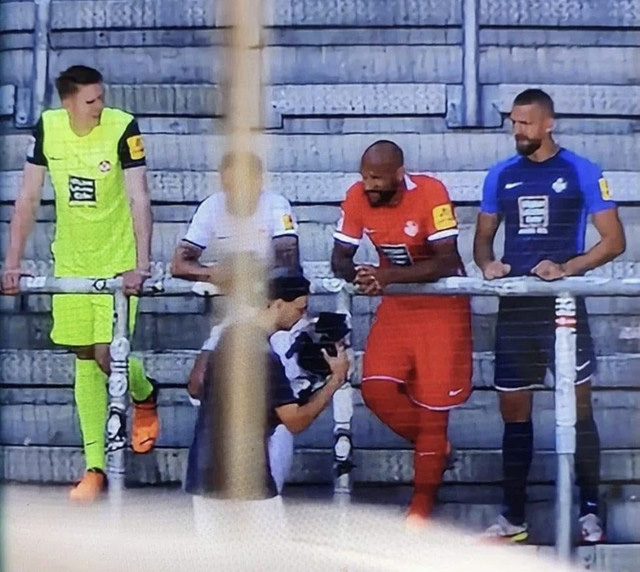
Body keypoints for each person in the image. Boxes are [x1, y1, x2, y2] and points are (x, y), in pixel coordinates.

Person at [0, 65, 159, 502]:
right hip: (70, 259)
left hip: (116, 259)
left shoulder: (123, 125)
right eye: (91, 101)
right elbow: (28, 197)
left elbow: (138, 196)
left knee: (109, 352)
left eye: (101, 98)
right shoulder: (49, 127)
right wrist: (11, 264)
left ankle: (145, 394)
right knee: (85, 357)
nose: (99, 106)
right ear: (67, 102)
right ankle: (95, 468)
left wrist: (141, 265)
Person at [473, 89, 626, 543]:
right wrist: (487, 264)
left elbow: (614, 242)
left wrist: (566, 269)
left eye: (525, 123)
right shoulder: (500, 175)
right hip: (517, 310)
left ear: (548, 124)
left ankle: (590, 512)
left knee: (579, 409)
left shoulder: (581, 170)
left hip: (562, 309)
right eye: (513, 123)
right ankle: (514, 518)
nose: (517, 131)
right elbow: (482, 240)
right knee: (514, 414)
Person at [331, 140, 472, 526]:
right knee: (376, 390)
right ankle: (434, 448)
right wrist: (358, 275)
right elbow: (339, 258)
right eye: (363, 177)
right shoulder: (357, 197)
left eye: (376, 178)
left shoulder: (431, 192)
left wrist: (386, 275)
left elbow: (447, 260)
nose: (368, 185)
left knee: (433, 413)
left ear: (398, 173)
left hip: (443, 310)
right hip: (398, 306)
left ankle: (420, 510)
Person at [170, 151, 302, 493]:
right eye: (228, 187)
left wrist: (247, 274)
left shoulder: (276, 205)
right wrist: (214, 273)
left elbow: (289, 265)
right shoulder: (212, 206)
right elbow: (179, 264)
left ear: (258, 182)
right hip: (232, 314)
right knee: (199, 384)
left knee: (277, 402)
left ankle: (270, 489)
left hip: (273, 311)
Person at [184, 274, 350, 535]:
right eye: (299, 308)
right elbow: (295, 421)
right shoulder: (263, 357)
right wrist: (335, 379)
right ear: (277, 304)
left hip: (205, 470)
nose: (301, 317)